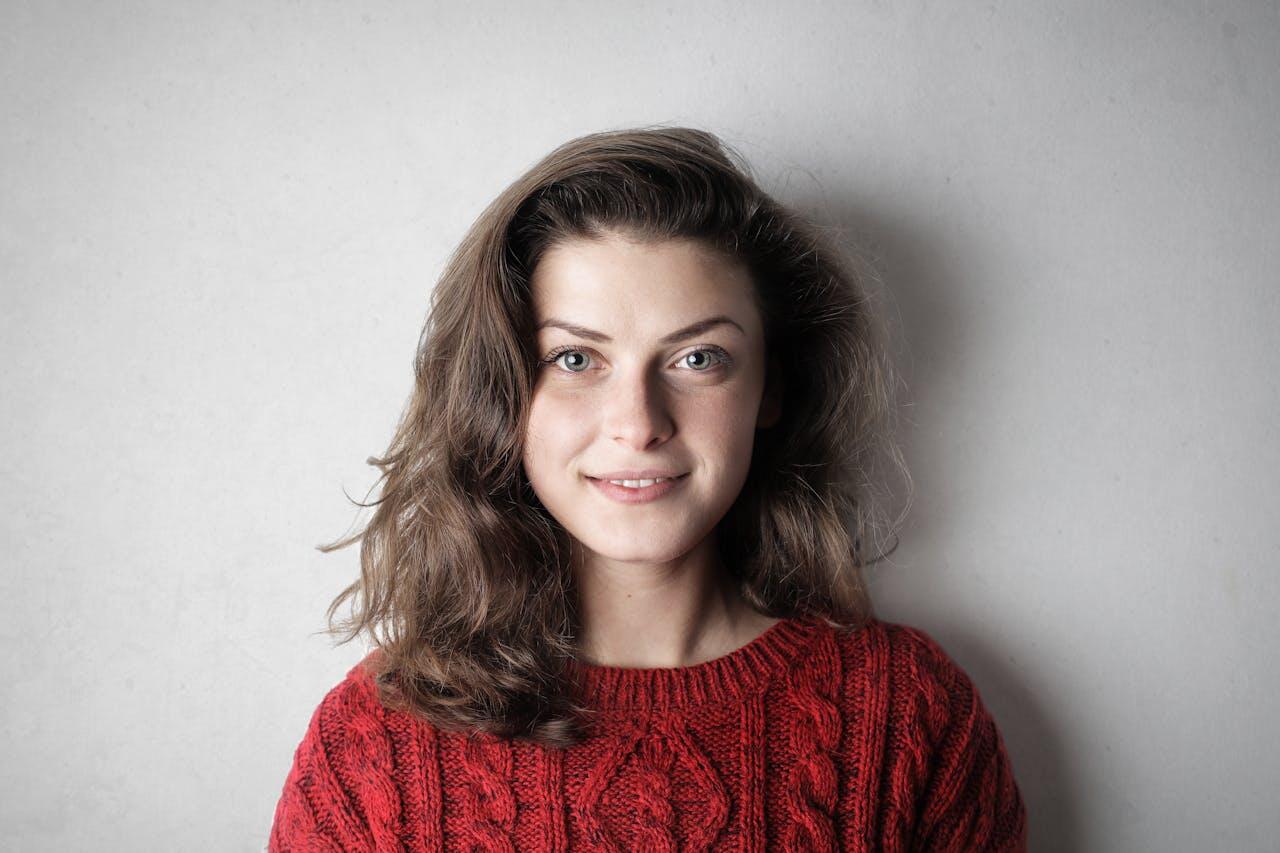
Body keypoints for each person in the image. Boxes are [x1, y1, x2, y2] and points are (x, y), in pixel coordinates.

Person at [267, 126, 1028, 851]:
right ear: (504, 392)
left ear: (772, 388)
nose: (637, 423)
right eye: (574, 359)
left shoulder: (905, 717)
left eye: (698, 359)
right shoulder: (376, 747)